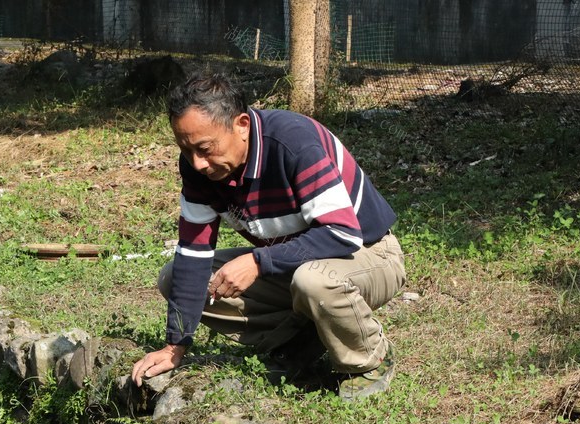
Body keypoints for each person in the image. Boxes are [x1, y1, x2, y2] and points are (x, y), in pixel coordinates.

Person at [130, 71, 406, 400]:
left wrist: (259, 262)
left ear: (242, 125)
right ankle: (300, 343)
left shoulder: (292, 142)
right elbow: (193, 254)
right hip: (297, 265)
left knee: (313, 281)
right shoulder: (199, 167)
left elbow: (342, 234)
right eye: (187, 150)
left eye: (204, 148)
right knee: (175, 277)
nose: (197, 163)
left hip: (370, 254)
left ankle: (369, 360)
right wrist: (175, 346)